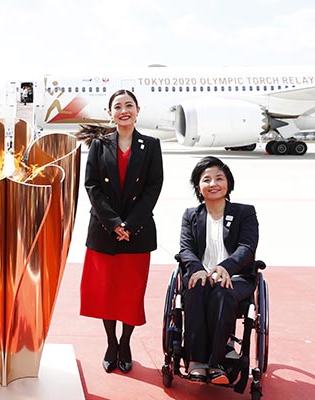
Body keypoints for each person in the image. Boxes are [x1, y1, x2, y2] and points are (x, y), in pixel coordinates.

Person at [76, 89, 163, 374]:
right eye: (117, 106)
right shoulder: (100, 145)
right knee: (106, 293)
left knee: (130, 294)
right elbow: (92, 186)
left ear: (138, 110)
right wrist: (114, 223)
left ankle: (126, 342)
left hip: (137, 233)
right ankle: (111, 343)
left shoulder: (151, 145)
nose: (123, 110)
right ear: (110, 113)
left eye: (129, 105)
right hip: (104, 230)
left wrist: (130, 225)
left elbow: (153, 188)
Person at [179, 156, 259, 384]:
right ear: (198, 187)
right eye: (206, 180)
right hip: (200, 274)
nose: (213, 184)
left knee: (223, 292)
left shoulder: (245, 212)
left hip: (236, 276)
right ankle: (195, 361)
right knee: (196, 288)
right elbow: (185, 249)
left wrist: (225, 268)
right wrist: (197, 269)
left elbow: (247, 248)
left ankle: (217, 362)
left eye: (219, 178)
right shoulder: (191, 215)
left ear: (228, 184)